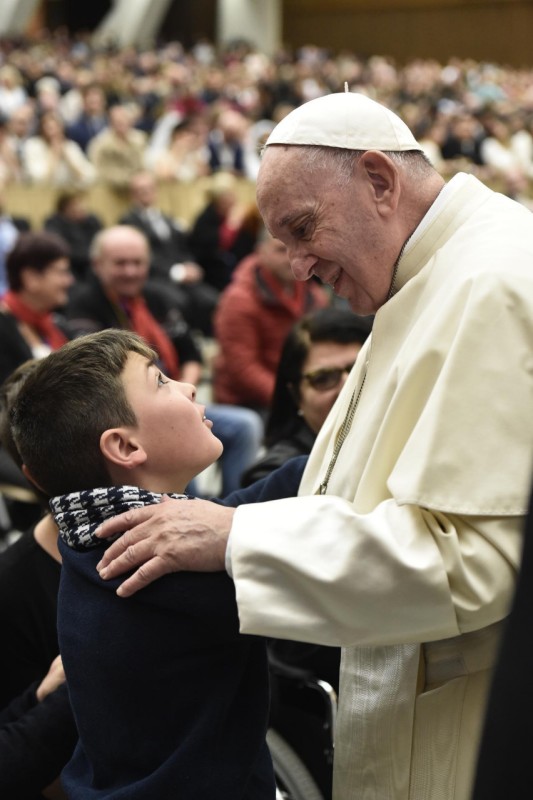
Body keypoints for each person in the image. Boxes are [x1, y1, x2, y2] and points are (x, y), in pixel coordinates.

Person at [95, 91, 533, 800]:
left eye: (303, 229)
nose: (298, 268)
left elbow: (477, 561)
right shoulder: (427, 270)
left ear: (379, 180)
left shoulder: (492, 282)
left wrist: (237, 539)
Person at [10, 329, 307, 799]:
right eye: (161, 381)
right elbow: (318, 567)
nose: (189, 386)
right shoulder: (158, 571)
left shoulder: (92, 537)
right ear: (126, 447)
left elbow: (240, 507)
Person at [66, 225, 263, 495]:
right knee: (178, 444)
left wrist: (178, 393)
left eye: (137, 263)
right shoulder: (82, 306)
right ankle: (187, 505)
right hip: (128, 416)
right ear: (97, 265)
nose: (131, 271)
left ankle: (232, 505)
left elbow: (191, 354)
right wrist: (167, 400)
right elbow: (101, 380)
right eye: (120, 263)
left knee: (245, 425)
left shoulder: (157, 298)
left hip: (173, 394)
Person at [241, 306, 372, 486]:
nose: (347, 387)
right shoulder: (275, 478)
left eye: (359, 370)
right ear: (296, 396)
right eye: (323, 378)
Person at [212, 227, 329, 414]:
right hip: (248, 402)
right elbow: (243, 371)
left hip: (298, 391)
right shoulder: (238, 301)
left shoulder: (313, 295)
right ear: (260, 252)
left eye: (296, 249)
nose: (290, 257)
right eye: (281, 250)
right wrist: (296, 399)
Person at [119, 171, 218, 335]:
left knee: (210, 299)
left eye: (149, 189)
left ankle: (205, 340)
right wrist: (175, 272)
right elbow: (141, 257)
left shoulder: (167, 218)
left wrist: (189, 265)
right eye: (141, 190)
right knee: (178, 302)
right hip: (154, 279)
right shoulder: (128, 222)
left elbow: (182, 248)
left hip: (181, 276)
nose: (146, 193)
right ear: (133, 195)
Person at [44, 190, 104, 282]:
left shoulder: (92, 221)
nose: (81, 207)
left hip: (92, 266)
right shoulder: (54, 224)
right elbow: (60, 250)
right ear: (65, 208)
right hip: (71, 267)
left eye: (82, 204)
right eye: (75, 204)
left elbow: (101, 244)